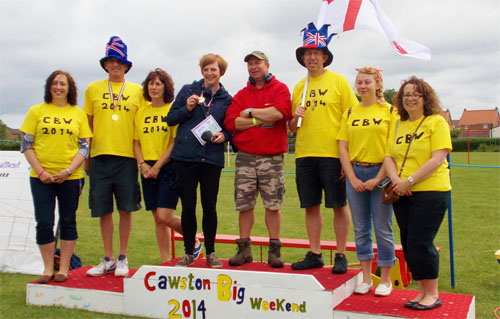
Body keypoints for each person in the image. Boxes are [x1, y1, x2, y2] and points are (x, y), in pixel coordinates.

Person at [289, 22, 359, 273]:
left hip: (333, 154)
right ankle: (315, 253)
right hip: (305, 153)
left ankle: (340, 253)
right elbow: (292, 127)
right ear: (303, 58)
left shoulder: (339, 82)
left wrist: (346, 158)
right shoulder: (299, 86)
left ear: (325, 57)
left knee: (338, 205)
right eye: (307, 53)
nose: (312, 57)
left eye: (317, 53)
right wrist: (295, 116)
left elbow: (351, 118)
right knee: (310, 205)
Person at [384, 76, 452, 310]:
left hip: (431, 190)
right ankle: (421, 291)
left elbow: (438, 158)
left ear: (425, 98)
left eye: (415, 94)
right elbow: (388, 157)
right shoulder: (397, 124)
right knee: (408, 242)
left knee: (421, 242)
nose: (410, 98)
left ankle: (433, 293)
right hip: (402, 191)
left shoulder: (436, 122)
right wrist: (396, 181)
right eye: (406, 95)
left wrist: (410, 181)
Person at [20, 70, 92, 283]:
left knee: (68, 221)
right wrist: (41, 171)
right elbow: (26, 144)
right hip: (41, 178)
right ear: (49, 86)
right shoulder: (36, 111)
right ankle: (47, 267)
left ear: (70, 88)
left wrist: (68, 170)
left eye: (63, 83)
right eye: (55, 83)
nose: (58, 87)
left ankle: (64, 268)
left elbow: (85, 147)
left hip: (70, 177)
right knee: (44, 222)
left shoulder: (77, 114)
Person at [223, 51, 292, 268]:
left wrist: (251, 112)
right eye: (250, 64)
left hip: (271, 157)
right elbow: (231, 123)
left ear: (267, 65)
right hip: (245, 157)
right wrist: (258, 120)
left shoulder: (280, 89)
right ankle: (244, 250)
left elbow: (279, 114)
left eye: (257, 63)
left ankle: (274, 250)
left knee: (273, 204)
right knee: (244, 204)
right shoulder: (241, 94)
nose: (253, 67)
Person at [84, 36, 143, 277]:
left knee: (126, 209)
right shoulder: (93, 89)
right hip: (99, 157)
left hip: (127, 158)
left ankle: (122, 257)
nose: (115, 65)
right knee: (104, 210)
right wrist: (86, 157)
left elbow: (141, 127)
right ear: (105, 65)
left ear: (126, 65)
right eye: (111, 61)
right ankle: (107, 258)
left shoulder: (138, 90)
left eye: (119, 61)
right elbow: (87, 125)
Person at [166, 53, 232, 268]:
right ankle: (188, 253)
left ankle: (211, 252)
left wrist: (226, 136)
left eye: (214, 69)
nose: (209, 73)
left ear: (221, 72)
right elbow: (171, 119)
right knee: (187, 207)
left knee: (210, 207)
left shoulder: (227, 99)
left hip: (211, 158)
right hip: (185, 157)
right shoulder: (188, 90)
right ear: (201, 71)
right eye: (206, 69)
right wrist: (188, 108)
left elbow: (230, 126)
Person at [338, 67, 397, 296]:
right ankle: (365, 278)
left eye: (367, 82)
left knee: (382, 227)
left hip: (381, 175)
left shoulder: (390, 111)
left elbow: (392, 148)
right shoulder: (351, 112)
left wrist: (379, 177)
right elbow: (343, 146)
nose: (363, 86)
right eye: (359, 82)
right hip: (356, 173)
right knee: (361, 228)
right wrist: (351, 176)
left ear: (377, 84)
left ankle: (385, 279)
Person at [134, 68, 202, 263]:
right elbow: (136, 142)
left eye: (158, 83)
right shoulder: (141, 112)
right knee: (158, 219)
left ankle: (194, 239)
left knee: (164, 215)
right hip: (146, 168)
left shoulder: (172, 110)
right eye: (151, 83)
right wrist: (142, 164)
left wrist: (157, 166)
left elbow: (174, 142)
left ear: (166, 87)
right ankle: (165, 261)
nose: (154, 87)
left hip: (168, 166)